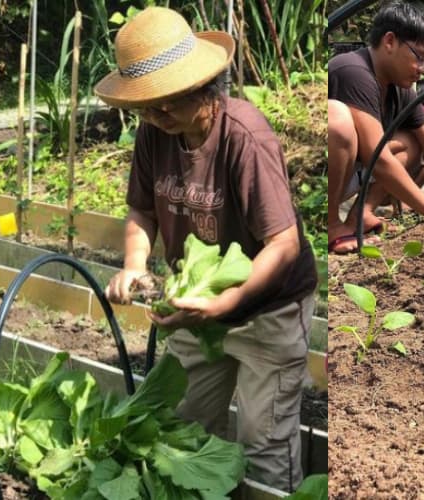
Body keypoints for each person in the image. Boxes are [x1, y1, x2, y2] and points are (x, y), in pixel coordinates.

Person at [95, 7, 317, 492]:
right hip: (195, 303)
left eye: (167, 103)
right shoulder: (155, 133)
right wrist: (134, 266)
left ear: (204, 86)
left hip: (268, 309)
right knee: (188, 431)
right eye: (146, 106)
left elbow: (283, 243)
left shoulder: (245, 137)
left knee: (265, 443)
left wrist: (227, 303)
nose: (155, 116)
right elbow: (141, 213)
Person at [328, 0, 424, 254]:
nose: (422, 71)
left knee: (412, 142)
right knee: (338, 120)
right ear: (389, 42)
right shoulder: (353, 71)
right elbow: (378, 158)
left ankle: (360, 216)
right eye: (419, 58)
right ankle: (332, 224)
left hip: (352, 174)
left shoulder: (399, 88)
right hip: (325, 176)